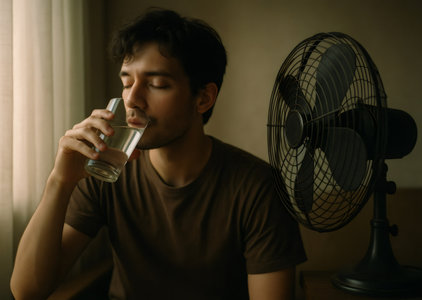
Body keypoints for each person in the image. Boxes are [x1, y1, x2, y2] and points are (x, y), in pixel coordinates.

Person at [10, 8, 306, 300]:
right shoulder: (107, 170)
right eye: (127, 83)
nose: (132, 99)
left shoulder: (258, 188)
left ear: (203, 98)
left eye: (156, 84)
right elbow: (27, 291)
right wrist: (60, 181)